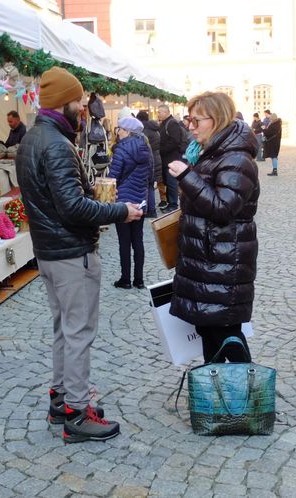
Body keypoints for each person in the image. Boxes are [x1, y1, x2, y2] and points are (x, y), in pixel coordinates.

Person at [15, 67, 144, 442]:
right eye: (79, 102)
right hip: (70, 253)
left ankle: (60, 399)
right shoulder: (56, 144)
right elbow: (72, 207)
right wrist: (121, 211)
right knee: (78, 333)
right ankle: (75, 410)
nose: (84, 108)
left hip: (50, 252)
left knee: (64, 329)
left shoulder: (33, 139)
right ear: (64, 104)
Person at [167, 91, 259, 363]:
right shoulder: (208, 152)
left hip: (224, 260)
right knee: (208, 329)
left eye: (197, 120)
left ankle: (251, 394)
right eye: (189, 120)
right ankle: (215, 393)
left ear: (216, 119)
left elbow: (222, 209)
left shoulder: (236, 158)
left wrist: (186, 177)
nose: (190, 126)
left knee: (226, 333)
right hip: (208, 259)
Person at [109, 116, 153, 289]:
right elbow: (150, 177)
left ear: (126, 131)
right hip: (140, 200)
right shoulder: (146, 148)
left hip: (123, 203)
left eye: (119, 129)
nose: (117, 132)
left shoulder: (120, 149)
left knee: (124, 242)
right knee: (138, 240)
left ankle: (125, 279)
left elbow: (114, 177)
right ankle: (139, 280)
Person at [158, 104, 185, 212]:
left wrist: (162, 149)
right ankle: (170, 203)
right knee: (168, 182)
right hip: (167, 159)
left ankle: (173, 205)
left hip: (171, 158)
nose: (158, 114)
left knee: (171, 182)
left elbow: (175, 141)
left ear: (166, 112)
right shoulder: (165, 123)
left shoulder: (172, 123)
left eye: (159, 112)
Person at [136, 110, 162, 218]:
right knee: (150, 185)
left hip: (149, 159)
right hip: (156, 157)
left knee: (148, 185)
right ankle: (152, 210)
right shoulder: (155, 129)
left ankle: (151, 210)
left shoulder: (144, 131)